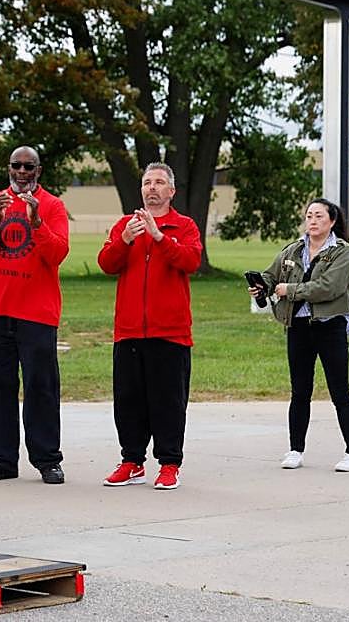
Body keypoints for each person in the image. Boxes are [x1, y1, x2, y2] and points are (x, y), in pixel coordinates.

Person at [0, 146, 70, 484]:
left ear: (38, 171)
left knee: (41, 387)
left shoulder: (52, 206)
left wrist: (36, 222)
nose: (22, 172)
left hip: (36, 312)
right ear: (8, 168)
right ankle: (2, 459)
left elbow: (57, 253)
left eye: (29, 166)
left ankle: (47, 459)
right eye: (16, 165)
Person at [97, 163, 202, 491]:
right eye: (147, 182)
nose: (152, 187)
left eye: (159, 182)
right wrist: (125, 240)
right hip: (129, 330)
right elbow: (107, 264)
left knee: (168, 402)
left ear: (171, 191)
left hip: (170, 332)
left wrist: (159, 237)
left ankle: (169, 464)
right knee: (128, 401)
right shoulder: (125, 225)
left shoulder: (184, 226)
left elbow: (191, 261)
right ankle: (132, 461)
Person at [251, 198, 349, 472]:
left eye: (319, 216)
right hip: (298, 327)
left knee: (340, 391)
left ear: (332, 221)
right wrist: (262, 285)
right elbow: (272, 275)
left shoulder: (343, 253)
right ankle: (295, 450)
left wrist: (290, 290)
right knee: (299, 391)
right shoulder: (293, 249)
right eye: (309, 215)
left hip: (330, 326)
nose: (313, 221)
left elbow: (329, 287)